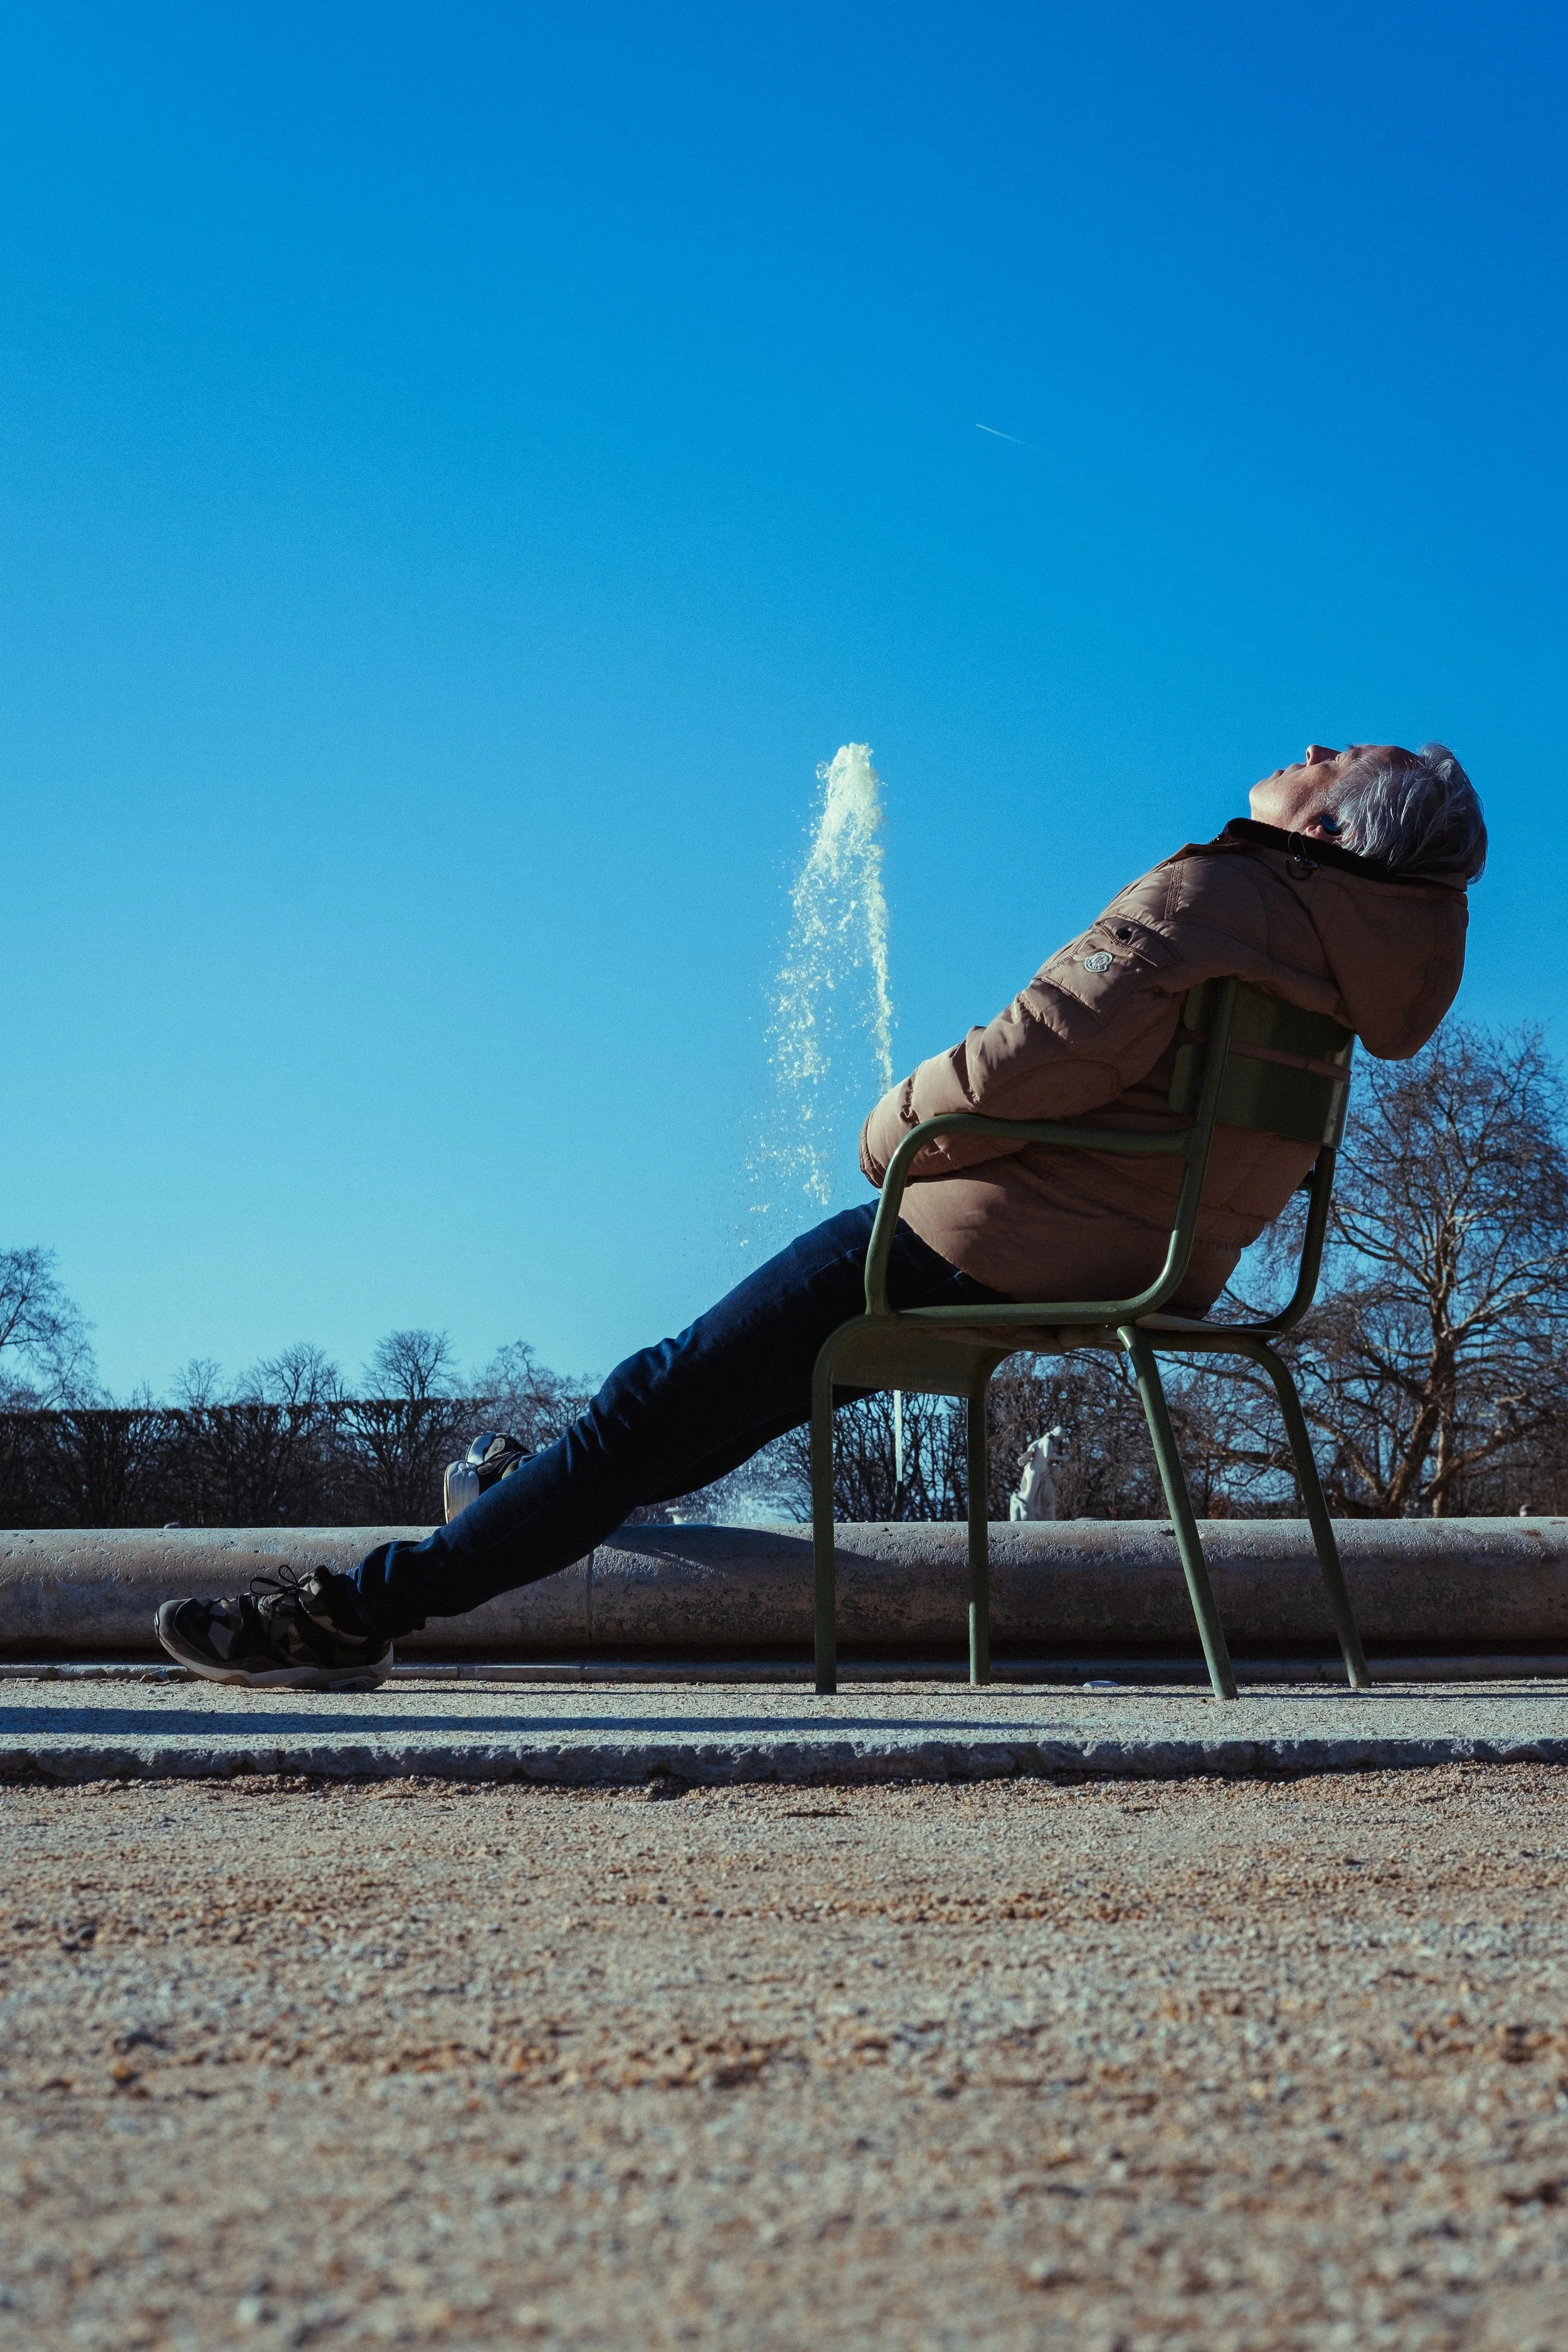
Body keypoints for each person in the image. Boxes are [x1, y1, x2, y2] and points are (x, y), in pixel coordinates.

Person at [157, 740, 1486, 1690]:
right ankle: (518, 1513)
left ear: (1326, 833)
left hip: (980, 1245)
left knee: (645, 1404)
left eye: (1338, 756)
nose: (1312, 747)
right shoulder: (1342, 976)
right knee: (691, 1417)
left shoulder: (1218, 896)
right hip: (1152, 1268)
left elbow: (1026, 1058)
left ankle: (358, 1613)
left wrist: (885, 1130)